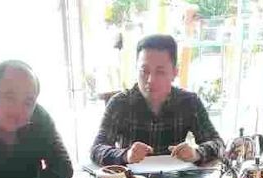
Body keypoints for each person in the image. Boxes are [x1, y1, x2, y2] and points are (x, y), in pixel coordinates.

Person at [90, 34, 224, 167]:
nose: (150, 80)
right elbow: (97, 149)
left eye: (160, 72)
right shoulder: (120, 103)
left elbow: (218, 144)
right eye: (144, 71)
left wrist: (196, 153)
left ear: (174, 72)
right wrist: (125, 155)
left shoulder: (189, 102)